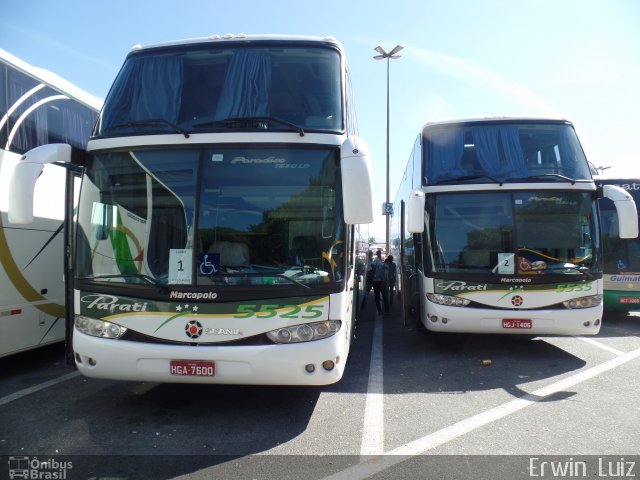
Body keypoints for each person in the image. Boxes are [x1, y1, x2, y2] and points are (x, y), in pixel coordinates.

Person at [372, 249, 389, 315]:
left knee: (382, 296)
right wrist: (376, 271)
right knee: (379, 296)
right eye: (378, 253)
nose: (379, 254)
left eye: (380, 253)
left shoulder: (381, 261)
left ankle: (385, 311)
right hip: (378, 281)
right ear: (377, 254)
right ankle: (380, 311)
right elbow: (372, 265)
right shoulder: (376, 260)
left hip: (381, 281)